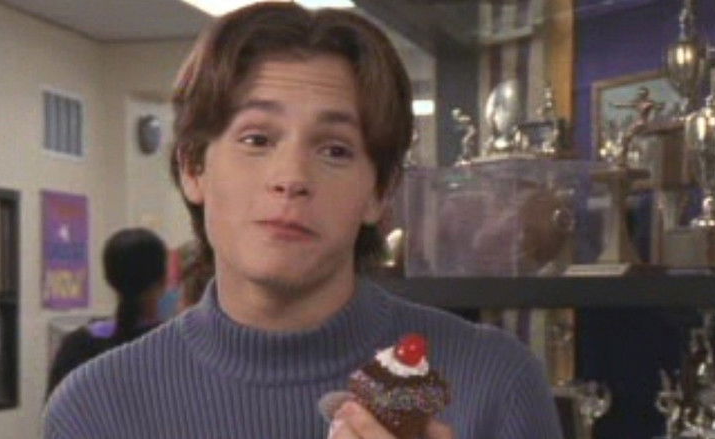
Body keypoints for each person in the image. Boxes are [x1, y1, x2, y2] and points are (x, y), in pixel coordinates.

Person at [43, 3, 563, 438]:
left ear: (379, 192)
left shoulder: (494, 383)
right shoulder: (96, 408)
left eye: (335, 150)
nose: (291, 178)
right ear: (193, 168)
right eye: (257, 140)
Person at [45, 228, 166, 397]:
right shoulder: (172, 348)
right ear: (163, 280)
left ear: (109, 280)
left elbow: (55, 410)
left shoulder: (78, 346)